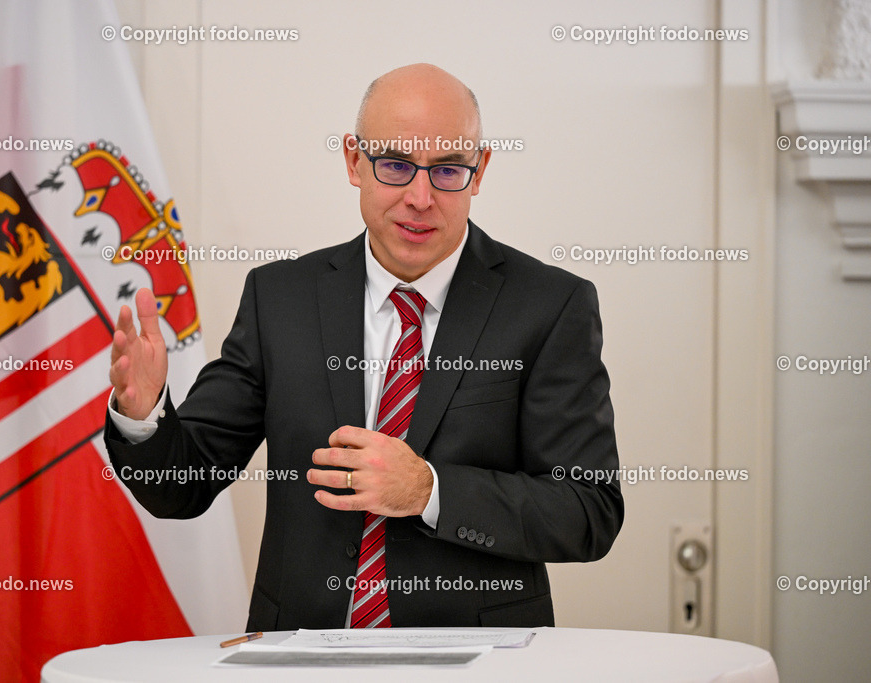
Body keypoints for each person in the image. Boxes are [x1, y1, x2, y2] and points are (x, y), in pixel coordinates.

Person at [105, 63, 623, 630]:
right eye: (396, 165)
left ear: (480, 171)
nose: (420, 197)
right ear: (354, 161)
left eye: (448, 170)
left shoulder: (550, 306)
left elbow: (586, 511)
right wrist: (144, 416)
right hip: (302, 657)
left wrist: (429, 489)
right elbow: (184, 484)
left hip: (479, 662)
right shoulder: (279, 299)